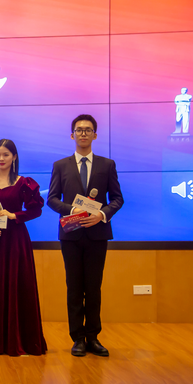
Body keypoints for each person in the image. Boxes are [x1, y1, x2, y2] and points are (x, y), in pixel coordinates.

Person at [47, 114, 124, 357]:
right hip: (70, 235)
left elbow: (117, 199)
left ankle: (93, 337)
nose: (83, 133)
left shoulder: (107, 165)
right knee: (74, 287)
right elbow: (52, 199)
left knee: (93, 288)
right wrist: (72, 210)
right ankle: (77, 339)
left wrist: (102, 214)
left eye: (88, 130)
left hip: (97, 235)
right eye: (79, 130)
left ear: (95, 135)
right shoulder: (61, 165)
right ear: (72, 135)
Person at [0, 139, 47, 356]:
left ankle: (19, 340)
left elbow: (36, 210)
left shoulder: (25, 183)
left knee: (18, 286)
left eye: (6, 154)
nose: (1, 159)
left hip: (16, 241)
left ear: (14, 157)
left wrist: (14, 215)